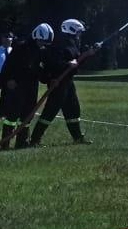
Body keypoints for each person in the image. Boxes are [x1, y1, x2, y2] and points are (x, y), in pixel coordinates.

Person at [28, 18, 98, 146]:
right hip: (58, 83)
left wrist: (88, 54)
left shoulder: (73, 44)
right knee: (50, 112)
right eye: (78, 32)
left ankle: (77, 137)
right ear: (71, 30)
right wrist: (67, 65)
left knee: (73, 110)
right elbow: (54, 63)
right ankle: (35, 139)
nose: (79, 34)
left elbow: (76, 62)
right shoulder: (59, 45)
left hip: (68, 82)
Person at [0, 24, 50, 150]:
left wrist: (48, 78)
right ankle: (5, 143)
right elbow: (8, 65)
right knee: (12, 115)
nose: (43, 43)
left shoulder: (42, 51)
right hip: (17, 85)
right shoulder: (21, 47)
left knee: (27, 115)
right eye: (41, 41)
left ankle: (21, 142)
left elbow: (41, 70)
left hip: (32, 86)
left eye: (45, 42)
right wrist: (10, 79)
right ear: (36, 37)